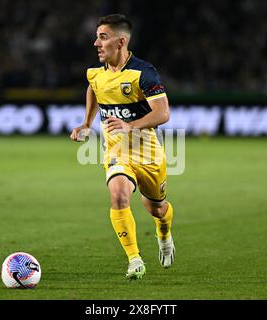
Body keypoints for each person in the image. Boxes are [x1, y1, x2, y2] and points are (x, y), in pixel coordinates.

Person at [70, 14, 175, 280]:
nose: (96, 43)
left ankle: (164, 233)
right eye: (97, 37)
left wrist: (130, 126)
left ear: (121, 42)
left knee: (157, 208)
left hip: (149, 152)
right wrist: (86, 123)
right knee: (118, 195)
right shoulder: (95, 73)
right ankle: (134, 259)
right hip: (117, 152)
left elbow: (162, 114)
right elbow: (94, 88)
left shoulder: (143, 72)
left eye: (103, 37)